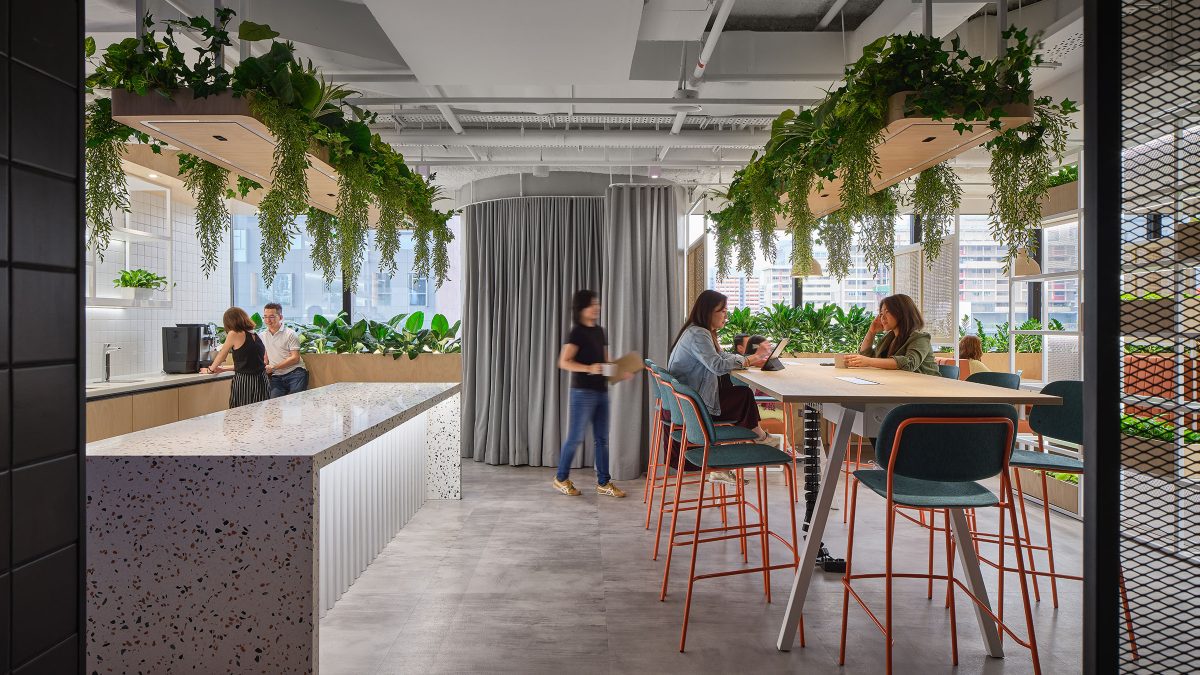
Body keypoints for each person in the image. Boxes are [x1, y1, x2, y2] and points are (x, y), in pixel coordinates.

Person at [553, 290, 633, 498]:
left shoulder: (600, 331)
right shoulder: (576, 333)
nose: (596, 307)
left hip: (601, 392)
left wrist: (619, 371)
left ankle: (604, 483)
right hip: (582, 392)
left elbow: (606, 363)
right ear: (581, 309)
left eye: (597, 303)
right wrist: (589, 368)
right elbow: (563, 362)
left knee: (602, 439)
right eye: (592, 304)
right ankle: (561, 478)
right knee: (575, 437)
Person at [668, 290, 777, 442]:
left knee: (738, 392)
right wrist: (754, 357)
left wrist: (748, 359)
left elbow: (722, 356)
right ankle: (757, 435)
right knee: (744, 394)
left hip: (689, 400)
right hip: (694, 405)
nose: (726, 316)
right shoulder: (698, 334)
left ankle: (753, 435)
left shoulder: (700, 332)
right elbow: (717, 365)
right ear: (708, 312)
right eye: (723, 311)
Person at [844, 293, 939, 375]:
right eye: (881, 313)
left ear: (902, 313)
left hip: (927, 389)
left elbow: (909, 364)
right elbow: (867, 356)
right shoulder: (888, 338)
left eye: (887, 311)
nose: (882, 317)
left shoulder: (920, 338)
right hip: (899, 386)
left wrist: (868, 362)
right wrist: (871, 332)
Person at [201, 307, 271, 407]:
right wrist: (223, 369)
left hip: (246, 381)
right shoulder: (255, 334)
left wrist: (210, 370)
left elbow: (222, 354)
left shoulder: (234, 333)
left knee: (240, 414)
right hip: (262, 380)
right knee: (259, 415)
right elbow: (251, 363)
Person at [261, 302, 308, 398]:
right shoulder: (262, 335)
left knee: (294, 404)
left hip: (295, 373)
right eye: (265, 317)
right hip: (276, 376)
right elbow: (265, 358)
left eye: (272, 317)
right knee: (274, 405)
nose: (268, 320)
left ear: (280, 317)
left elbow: (295, 358)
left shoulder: (290, 334)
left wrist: (273, 368)